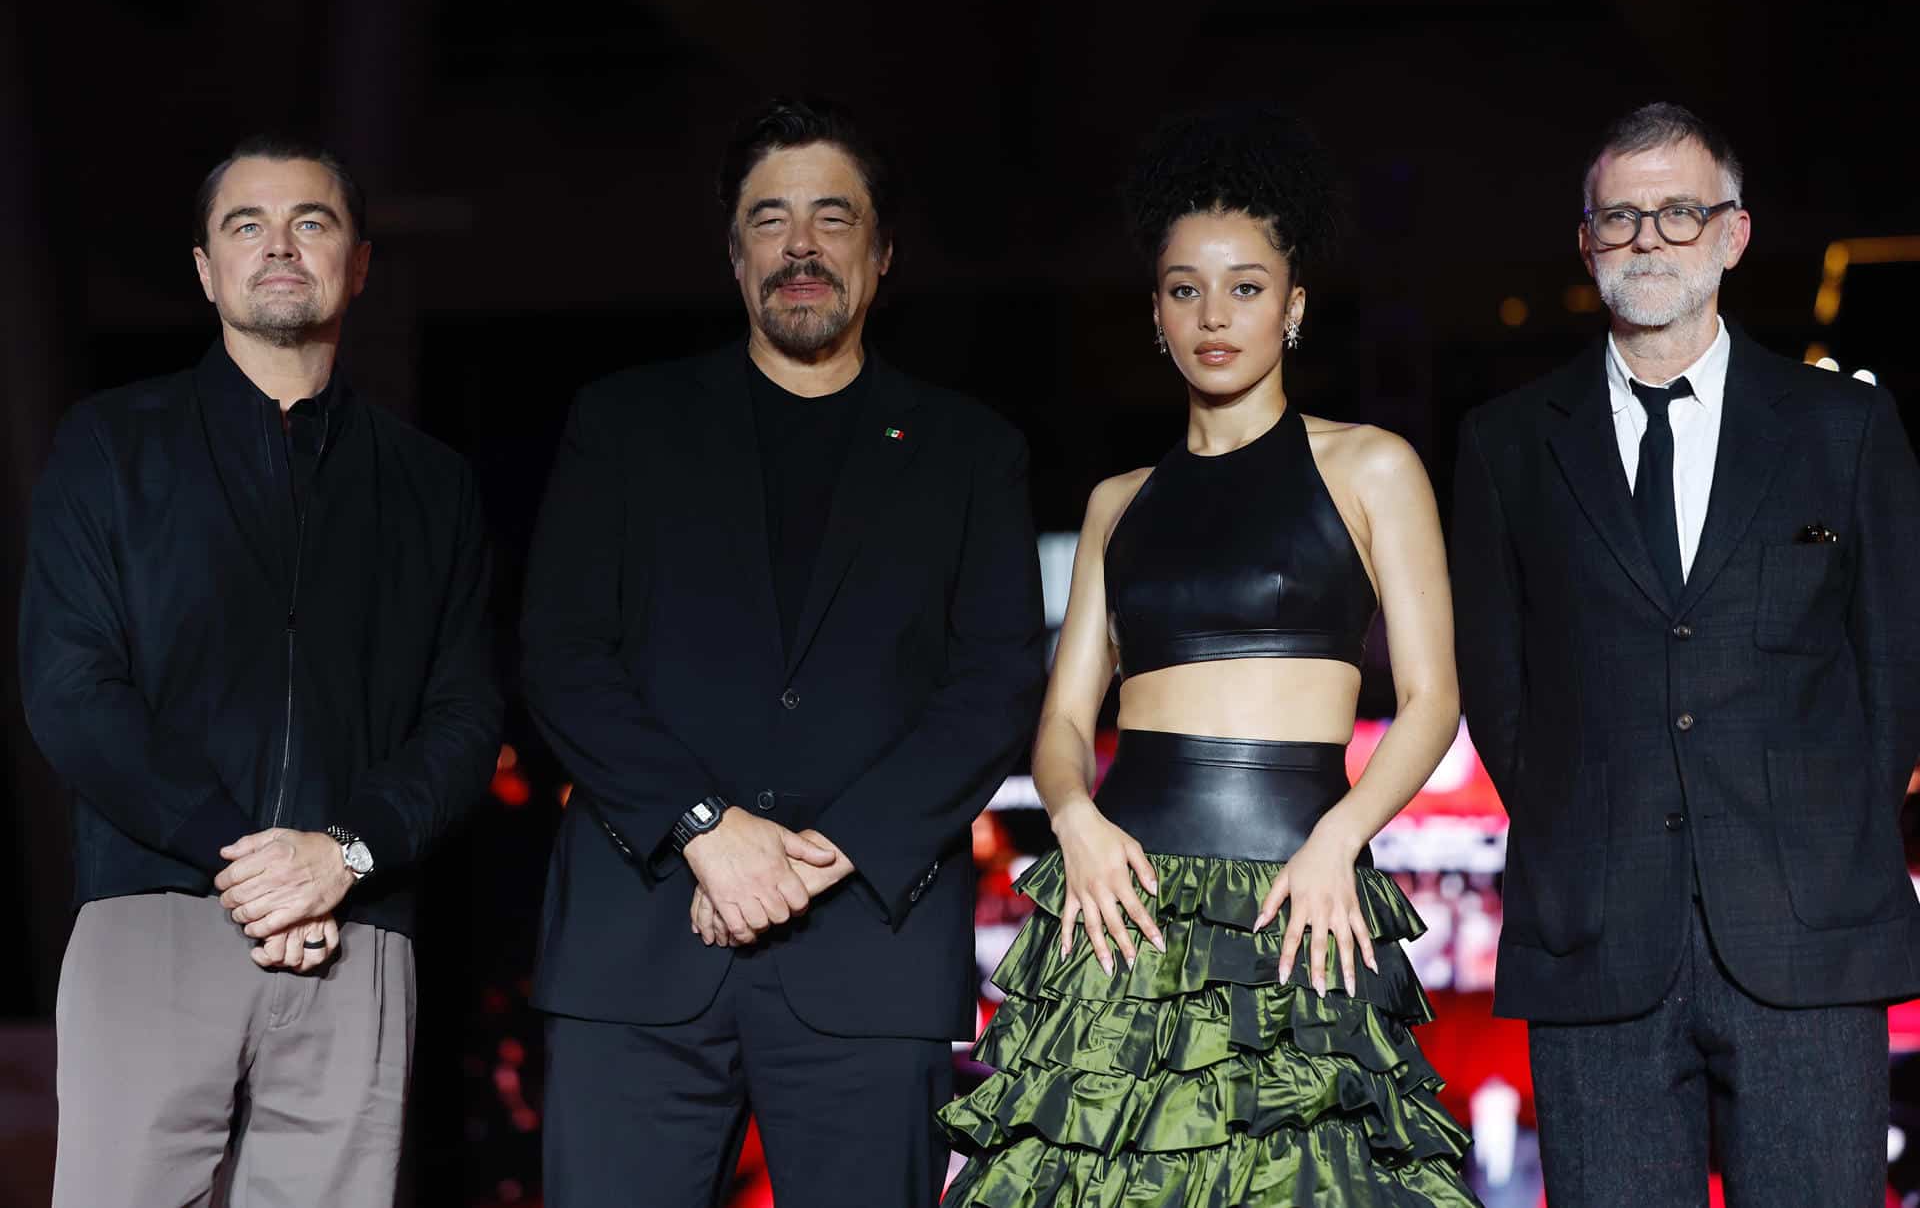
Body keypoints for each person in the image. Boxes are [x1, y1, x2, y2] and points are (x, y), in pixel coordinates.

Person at [939, 106, 1479, 1205]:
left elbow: (1433, 698)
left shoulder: (1373, 468)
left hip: (1300, 898)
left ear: (1294, 306)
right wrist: (1074, 819)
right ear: (1155, 312)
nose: (1214, 314)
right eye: (1185, 289)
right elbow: (1062, 721)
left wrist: (1340, 840)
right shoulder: (1116, 503)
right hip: (1121, 902)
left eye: (1245, 286)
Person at [522, 95, 1047, 1208]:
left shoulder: (970, 451)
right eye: (771, 218)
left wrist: (827, 852)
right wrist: (706, 829)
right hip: (638, 950)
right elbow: (563, 654)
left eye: (832, 217)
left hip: (869, 955)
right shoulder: (624, 424)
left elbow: (995, 684)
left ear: (883, 252)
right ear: (734, 254)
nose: (800, 245)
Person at [19, 135, 503, 1206]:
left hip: (356, 918)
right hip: (156, 909)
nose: (279, 245)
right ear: (206, 268)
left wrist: (344, 851)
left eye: (311, 222)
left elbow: (466, 714)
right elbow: (70, 686)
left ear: (359, 264)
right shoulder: (112, 445)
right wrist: (246, 862)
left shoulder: (431, 485)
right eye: (247, 224)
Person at [1451, 102, 1920, 1205]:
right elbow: (1500, 692)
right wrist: (1584, 823)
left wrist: (1822, 834)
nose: (1649, 238)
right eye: (1621, 216)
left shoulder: (1844, 429)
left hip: (1809, 935)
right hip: (1596, 934)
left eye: (1679, 212)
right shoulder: (1507, 444)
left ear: (1733, 233)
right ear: (1587, 241)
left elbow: (1895, 675)